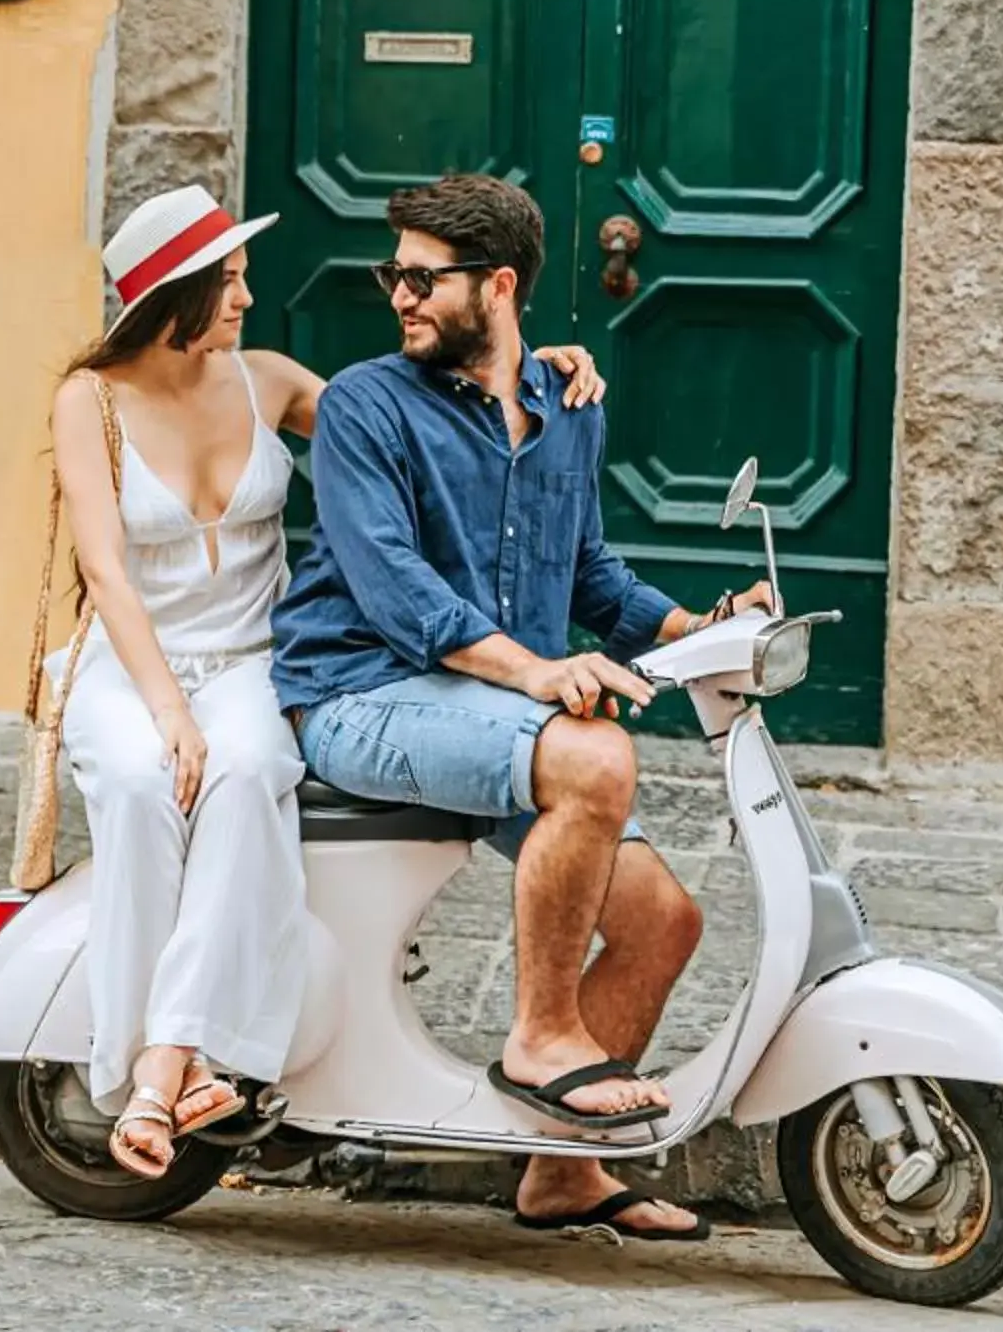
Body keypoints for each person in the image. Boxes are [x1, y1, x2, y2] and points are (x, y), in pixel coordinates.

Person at [54, 184, 607, 1179]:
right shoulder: (89, 401)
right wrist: (169, 714)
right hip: (134, 663)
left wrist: (541, 366)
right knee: (140, 786)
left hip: (250, 660)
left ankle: (176, 1064)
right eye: (227, 281)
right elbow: (103, 573)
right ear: (170, 295)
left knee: (249, 774)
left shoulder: (264, 379)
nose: (247, 297)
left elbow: (415, 408)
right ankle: (136, 1058)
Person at [268, 174, 769, 1242]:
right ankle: (544, 1036)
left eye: (419, 276)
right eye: (389, 272)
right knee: (593, 757)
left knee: (665, 922)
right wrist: (539, 674)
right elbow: (395, 586)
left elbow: (588, 574)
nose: (396, 294)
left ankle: (562, 1173)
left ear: (496, 285)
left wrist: (700, 626)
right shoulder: (366, 404)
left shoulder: (563, 407)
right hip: (361, 692)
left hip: (485, 707)